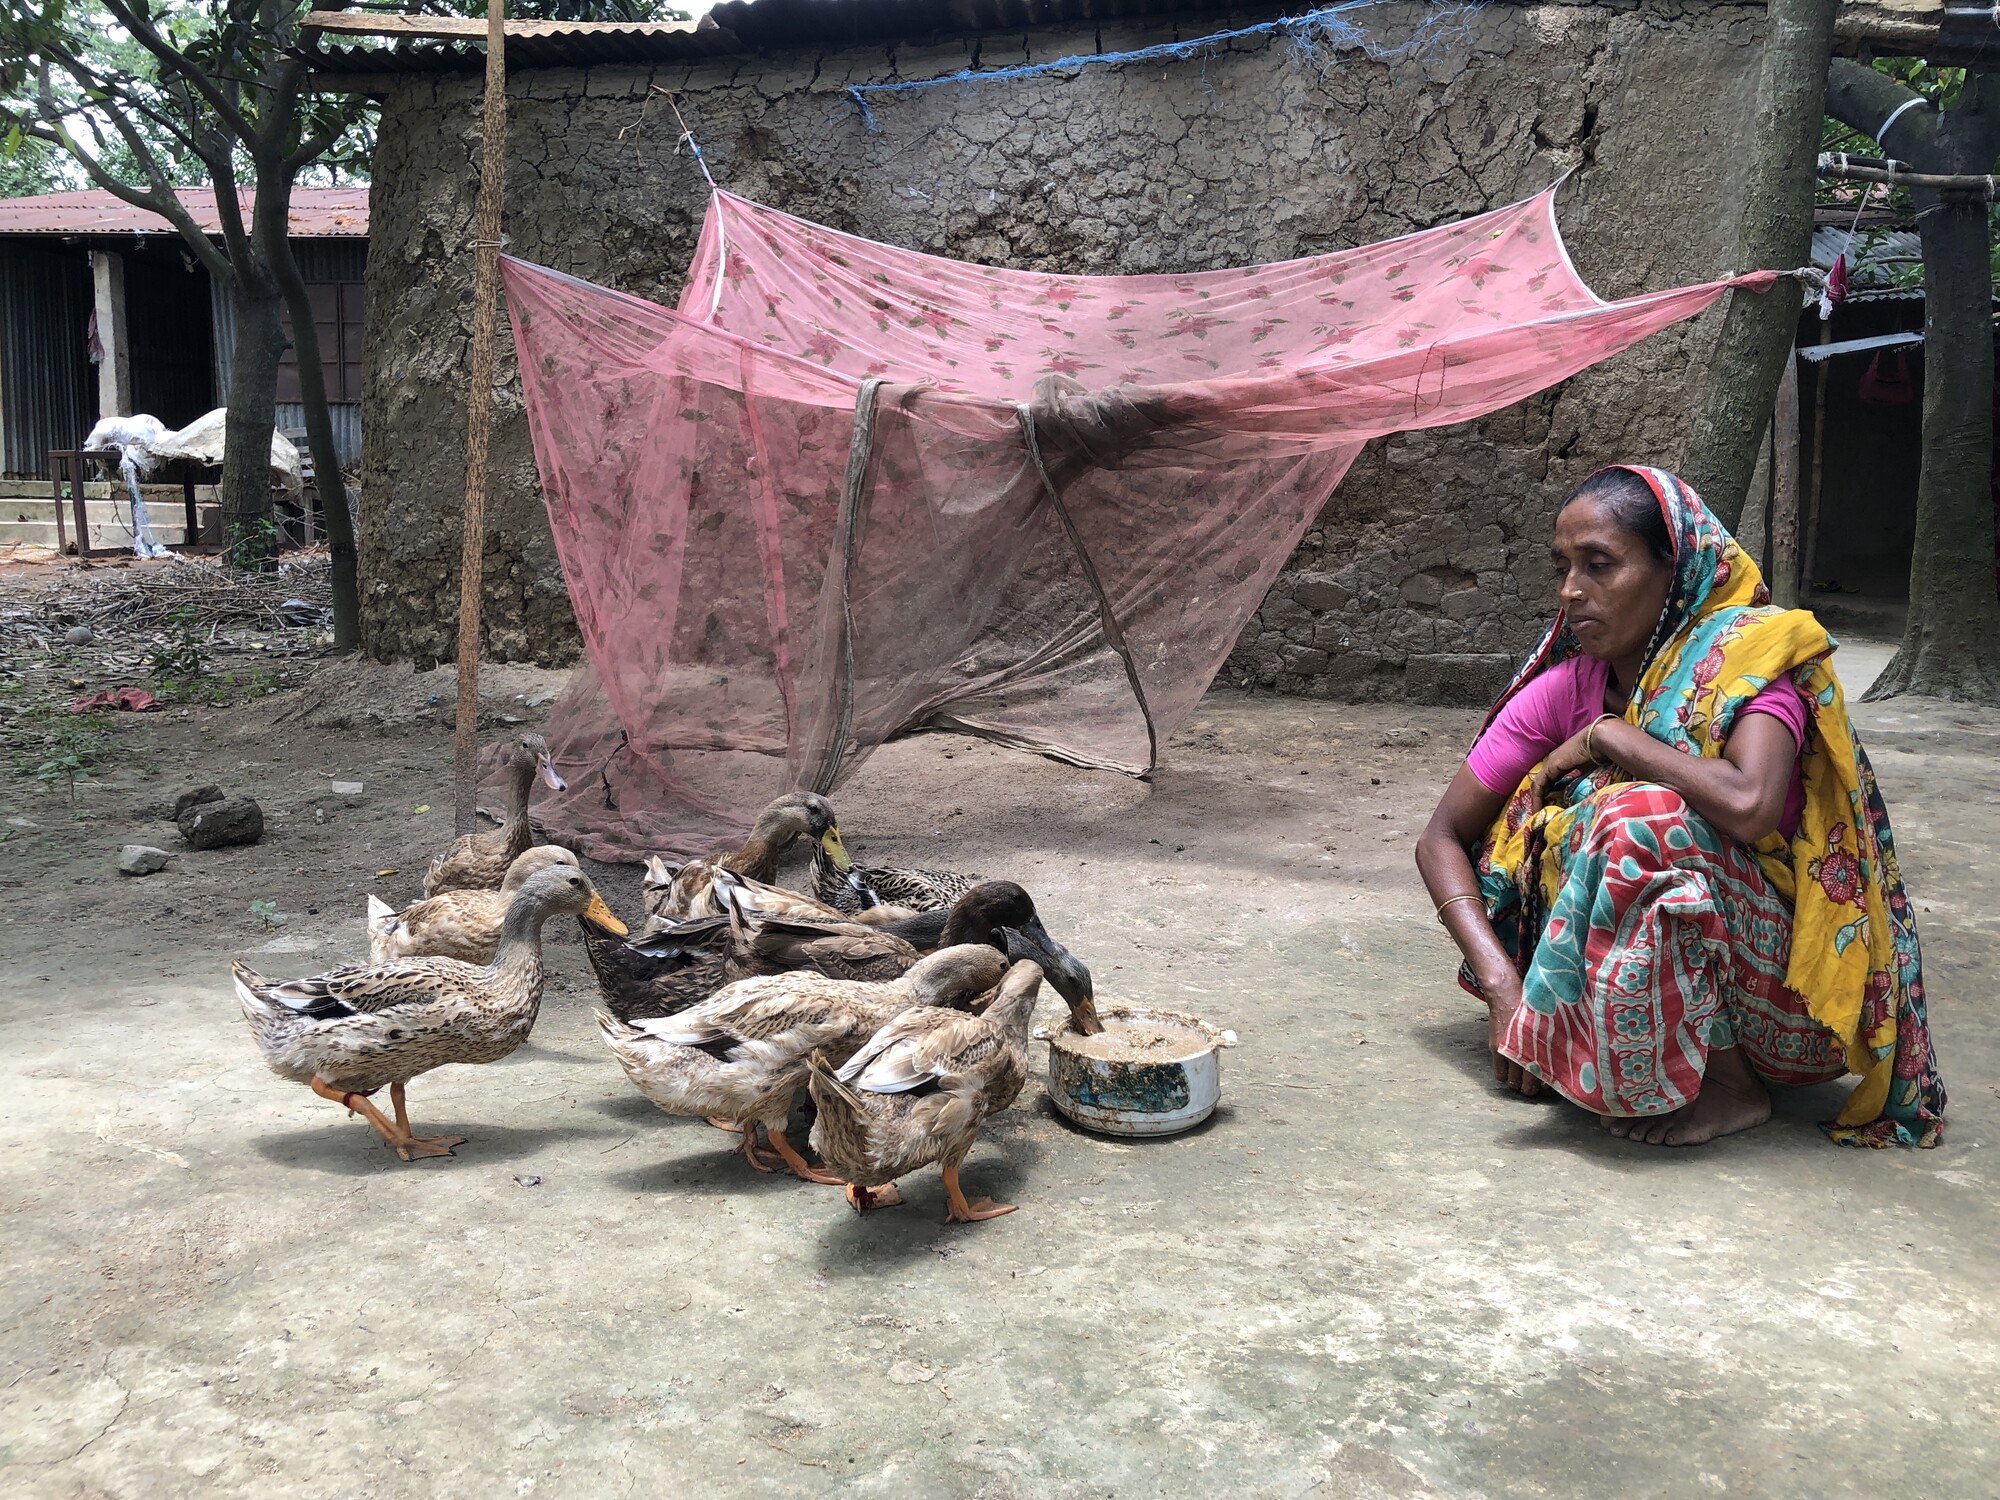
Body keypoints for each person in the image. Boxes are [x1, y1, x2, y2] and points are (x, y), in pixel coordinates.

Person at [1414, 465, 1944, 1147]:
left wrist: (1612, 738)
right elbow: (1440, 839)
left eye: (1599, 565)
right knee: (1549, 815)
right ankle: (1587, 1030)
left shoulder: (1750, 661)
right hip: (1647, 989)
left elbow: (1750, 803)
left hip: (1792, 1012)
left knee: (1637, 819)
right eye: (1562, 567)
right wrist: (1502, 987)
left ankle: (1731, 1084)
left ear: (1676, 570)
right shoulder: (1567, 688)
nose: (1571, 591)